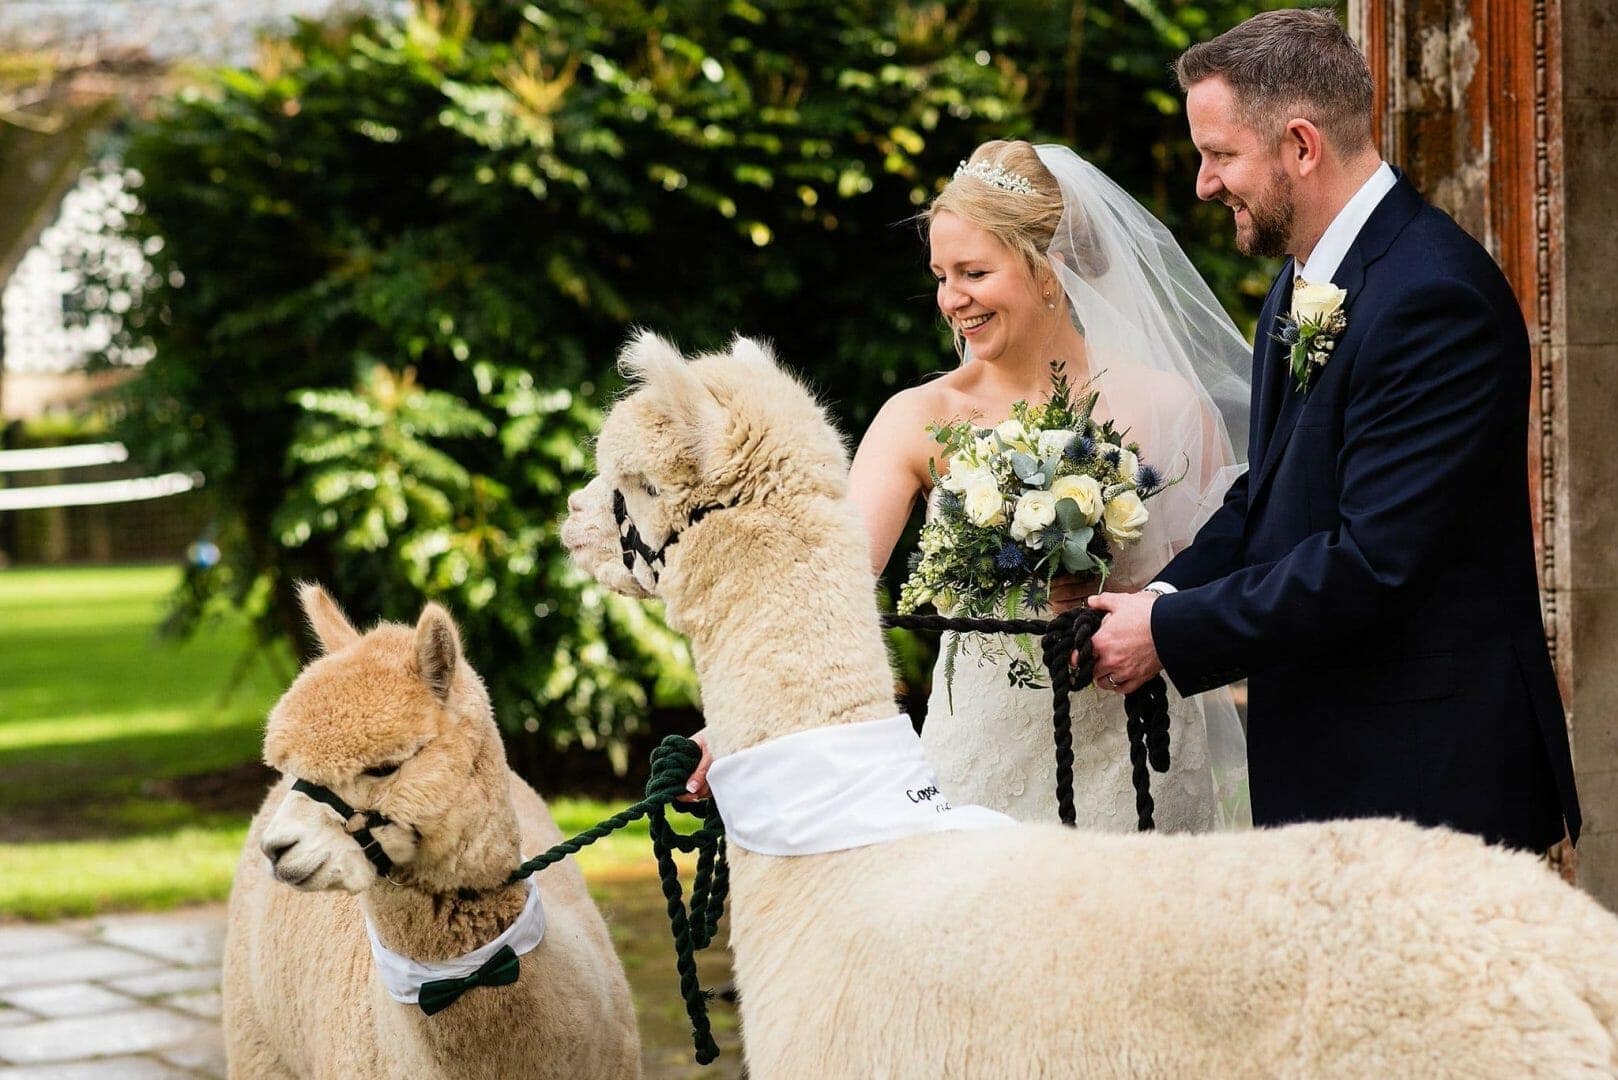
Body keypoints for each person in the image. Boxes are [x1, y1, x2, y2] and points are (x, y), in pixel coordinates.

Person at [1086, 9, 1580, 853]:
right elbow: (1270, 495)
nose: (1205, 184)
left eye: (1220, 154)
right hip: (1338, 766)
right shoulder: (1302, 282)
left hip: (1427, 780)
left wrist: (1172, 634)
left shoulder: (1432, 297)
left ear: (1301, 145)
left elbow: (1372, 561)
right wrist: (1156, 600)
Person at [827, 138, 1250, 830]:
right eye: (940, 275)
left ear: (1048, 271)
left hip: (1139, 763)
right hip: (981, 768)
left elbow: (1218, 591)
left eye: (973, 272)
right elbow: (828, 601)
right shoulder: (918, 420)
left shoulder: (1169, 408)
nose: (951, 299)